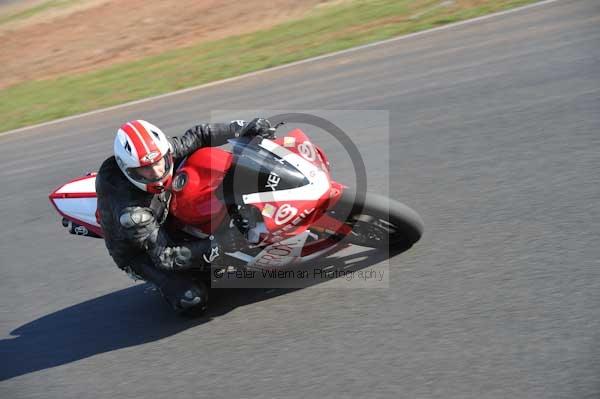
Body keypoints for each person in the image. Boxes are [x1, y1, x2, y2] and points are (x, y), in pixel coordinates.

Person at [95, 118, 272, 313]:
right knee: (192, 300)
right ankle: (175, 284)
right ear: (129, 170)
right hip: (142, 252)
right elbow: (166, 256)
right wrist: (221, 243)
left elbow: (199, 135)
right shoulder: (133, 214)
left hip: (163, 207)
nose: (157, 172)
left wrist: (241, 128)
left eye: (159, 162)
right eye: (146, 169)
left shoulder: (158, 153)